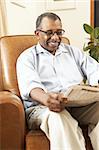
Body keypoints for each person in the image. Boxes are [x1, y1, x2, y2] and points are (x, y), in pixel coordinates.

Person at [16, 12, 99, 150]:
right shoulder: (27, 58)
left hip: (77, 106)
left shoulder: (73, 52)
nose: (55, 38)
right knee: (59, 117)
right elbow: (32, 88)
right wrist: (47, 99)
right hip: (43, 108)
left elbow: (94, 69)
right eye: (49, 33)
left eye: (59, 32)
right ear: (37, 34)